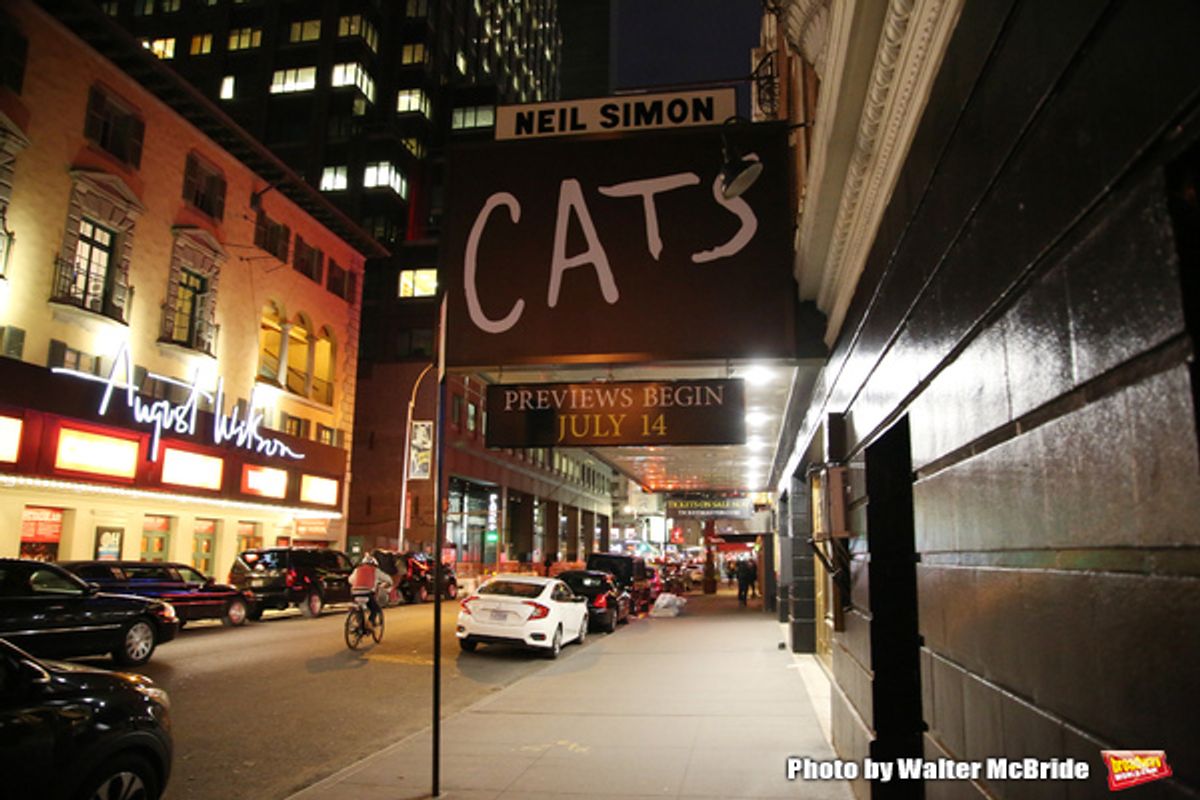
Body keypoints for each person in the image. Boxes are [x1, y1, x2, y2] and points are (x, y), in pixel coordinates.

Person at [350, 552, 393, 628]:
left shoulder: (357, 570)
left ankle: (358, 622)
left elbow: (350, 580)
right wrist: (385, 585)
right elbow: (389, 580)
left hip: (355, 592)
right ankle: (369, 623)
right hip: (367, 593)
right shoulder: (375, 570)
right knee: (375, 609)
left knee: (358, 607)